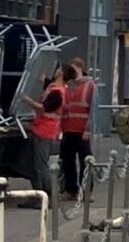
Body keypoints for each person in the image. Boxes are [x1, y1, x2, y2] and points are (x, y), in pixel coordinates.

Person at [57, 61, 95, 204]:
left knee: (85, 161)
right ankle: (71, 190)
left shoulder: (89, 85)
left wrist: (88, 129)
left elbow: (92, 109)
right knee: (68, 162)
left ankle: (87, 191)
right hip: (68, 129)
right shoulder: (68, 86)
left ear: (79, 68)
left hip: (81, 130)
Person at [24, 68, 64, 199]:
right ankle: (38, 196)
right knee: (36, 166)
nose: (55, 70)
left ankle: (49, 196)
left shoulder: (57, 92)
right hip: (41, 128)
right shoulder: (55, 88)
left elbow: (43, 108)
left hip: (45, 130)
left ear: (61, 74)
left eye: (58, 69)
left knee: (41, 166)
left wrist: (26, 100)